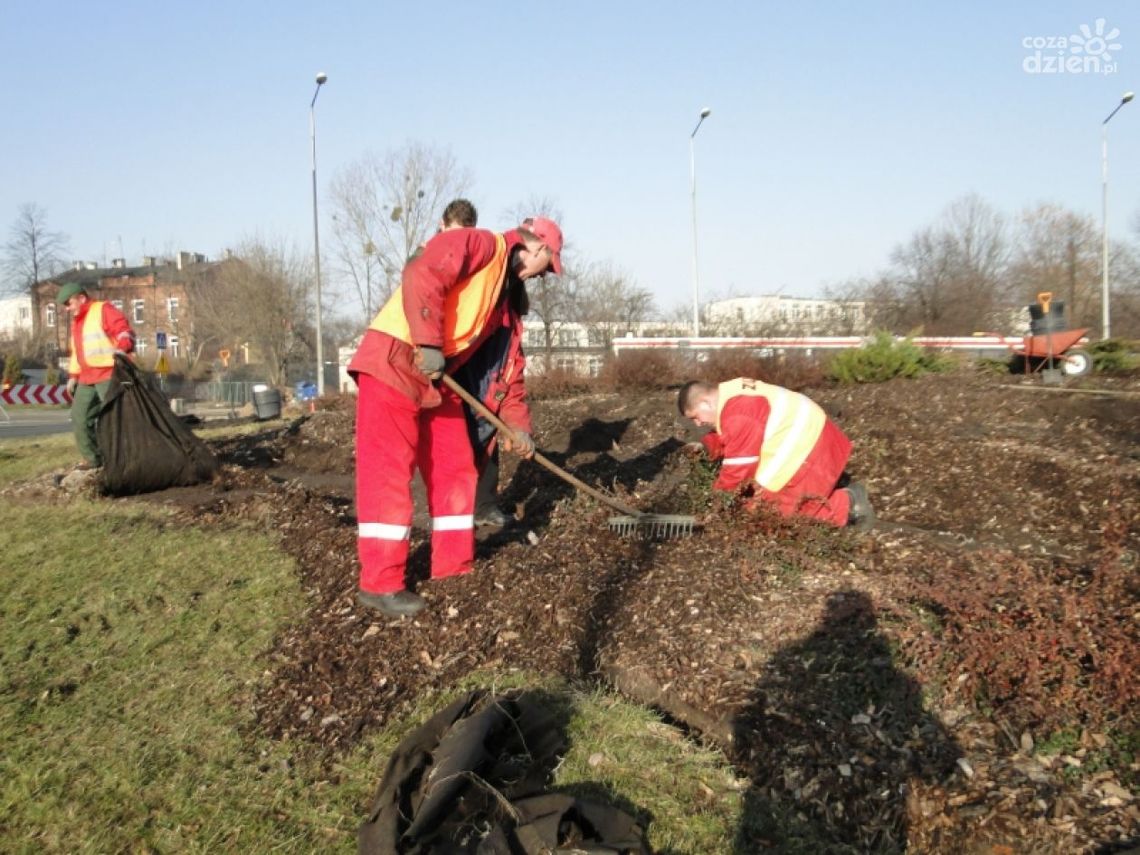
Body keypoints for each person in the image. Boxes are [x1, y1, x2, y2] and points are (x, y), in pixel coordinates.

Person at [348, 217, 564, 617]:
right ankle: (380, 584)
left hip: (435, 377)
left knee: (456, 468)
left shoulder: (504, 309)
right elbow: (422, 270)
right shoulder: (479, 244)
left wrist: (519, 427)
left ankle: (453, 565)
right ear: (536, 248)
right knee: (388, 475)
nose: (542, 276)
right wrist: (428, 342)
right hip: (396, 360)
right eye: (546, 266)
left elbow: (509, 376)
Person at [678, 377, 874, 530]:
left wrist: (715, 504)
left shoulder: (738, 411)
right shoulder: (732, 392)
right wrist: (706, 446)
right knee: (756, 509)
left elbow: (738, 470)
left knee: (773, 520)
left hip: (809, 452)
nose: (698, 423)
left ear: (706, 402)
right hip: (814, 437)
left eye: (695, 417)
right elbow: (735, 434)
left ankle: (849, 503)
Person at [58, 281, 136, 470]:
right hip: (86, 377)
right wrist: (73, 375)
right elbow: (78, 351)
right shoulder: (78, 322)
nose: (68, 309)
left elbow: (124, 331)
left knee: (116, 419)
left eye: (69, 304)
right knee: (80, 418)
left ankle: (129, 460)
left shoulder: (103, 309)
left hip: (109, 374)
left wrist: (123, 346)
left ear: (81, 298)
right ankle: (93, 460)